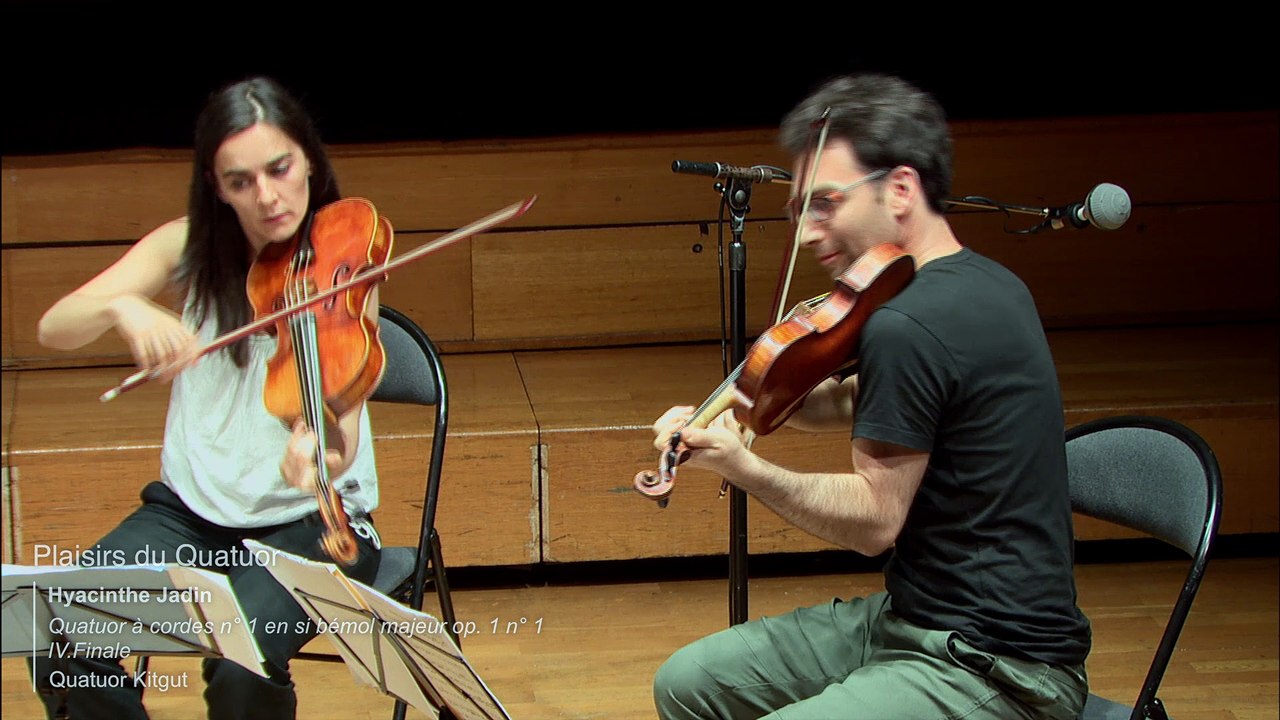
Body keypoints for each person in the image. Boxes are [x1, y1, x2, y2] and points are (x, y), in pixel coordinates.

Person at [650, 73, 1091, 719]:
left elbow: (874, 524)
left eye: (826, 202)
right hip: (914, 614)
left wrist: (743, 467)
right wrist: (757, 401)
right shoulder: (987, 283)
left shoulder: (907, 323)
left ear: (902, 188)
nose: (806, 232)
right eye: (801, 208)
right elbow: (875, 402)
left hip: (999, 663)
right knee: (688, 682)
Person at [31, 76, 383, 720]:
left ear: (309, 157)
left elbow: (342, 431)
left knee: (240, 653)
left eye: (280, 168)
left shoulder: (344, 260)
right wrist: (121, 307)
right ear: (216, 186)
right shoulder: (188, 246)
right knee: (58, 624)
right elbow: (54, 327)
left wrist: (318, 453)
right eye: (241, 180)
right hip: (191, 518)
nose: (268, 196)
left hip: (313, 525)